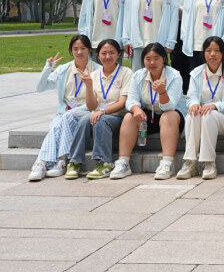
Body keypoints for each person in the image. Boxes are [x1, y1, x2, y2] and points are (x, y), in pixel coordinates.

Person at [110, 43, 187, 180]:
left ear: (164, 59)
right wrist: (136, 109)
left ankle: (167, 164)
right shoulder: (138, 75)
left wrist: (162, 92)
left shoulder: (174, 76)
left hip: (172, 116)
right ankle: (123, 163)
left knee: (168, 116)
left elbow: (170, 106)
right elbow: (131, 100)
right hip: (148, 115)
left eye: (156, 58)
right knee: (129, 117)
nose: (152, 63)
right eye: (148, 59)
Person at [28, 35, 99, 181]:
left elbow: (97, 100)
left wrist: (71, 111)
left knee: (64, 118)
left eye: (83, 48)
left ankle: (50, 161)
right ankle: (47, 162)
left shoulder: (97, 70)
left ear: (89, 50)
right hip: (65, 113)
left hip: (86, 111)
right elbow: (40, 87)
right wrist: (48, 68)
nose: (79, 52)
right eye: (75, 49)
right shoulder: (63, 69)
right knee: (57, 125)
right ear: (71, 51)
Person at [66, 39, 132, 180]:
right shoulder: (94, 75)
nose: (107, 56)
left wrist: (102, 112)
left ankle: (105, 163)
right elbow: (91, 106)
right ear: (98, 55)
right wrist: (89, 86)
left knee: (101, 120)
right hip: (97, 114)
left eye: (112, 53)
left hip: (118, 117)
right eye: (104, 53)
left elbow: (122, 102)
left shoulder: (126, 73)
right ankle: (74, 161)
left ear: (119, 54)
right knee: (84, 119)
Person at [178, 36, 224, 180]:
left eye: (216, 50)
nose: (212, 54)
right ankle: (190, 162)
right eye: (208, 51)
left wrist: (215, 106)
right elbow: (191, 96)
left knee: (208, 115)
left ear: (222, 53)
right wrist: (194, 104)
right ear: (204, 53)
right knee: (192, 115)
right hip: (202, 116)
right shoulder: (197, 73)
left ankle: (209, 163)